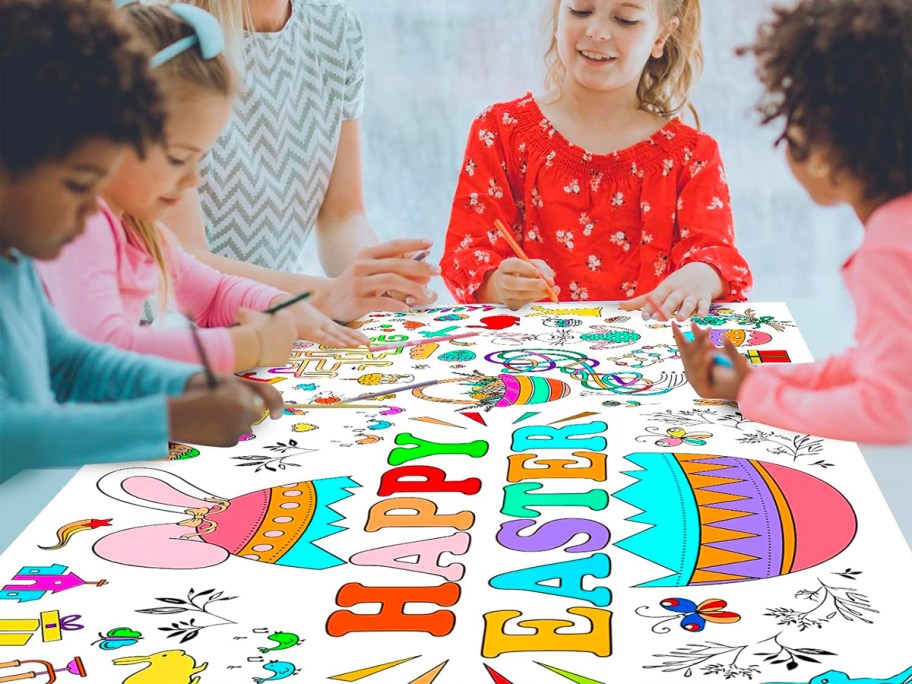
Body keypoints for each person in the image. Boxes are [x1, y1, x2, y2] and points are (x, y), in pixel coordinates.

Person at [0, 0, 283, 483]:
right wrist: (167, 417)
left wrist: (191, 383)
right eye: (78, 184)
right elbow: (11, 435)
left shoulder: (15, 261)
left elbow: (69, 363)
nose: (94, 212)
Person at [38, 3, 368, 373]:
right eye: (180, 158)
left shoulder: (144, 231)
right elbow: (109, 352)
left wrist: (283, 306)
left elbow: (212, 294)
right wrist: (245, 345)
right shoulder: (84, 229)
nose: (194, 178)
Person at [674, 0, 912, 443]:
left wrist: (754, 392)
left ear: (820, 156)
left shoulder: (889, 251)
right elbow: (883, 365)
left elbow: (891, 408)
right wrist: (764, 383)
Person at [440, 0, 752, 317]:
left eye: (625, 19)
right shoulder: (499, 131)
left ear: (660, 37)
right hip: (529, 359)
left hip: (648, 358)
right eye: (580, 11)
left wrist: (702, 275)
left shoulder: (693, 154)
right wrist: (498, 284)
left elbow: (717, 257)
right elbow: (466, 255)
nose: (597, 32)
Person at [164, 0, 439, 322]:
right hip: (169, 335)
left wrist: (375, 277)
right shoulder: (167, 36)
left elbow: (342, 217)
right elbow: (184, 262)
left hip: (280, 326)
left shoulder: (336, 28)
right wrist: (327, 296)